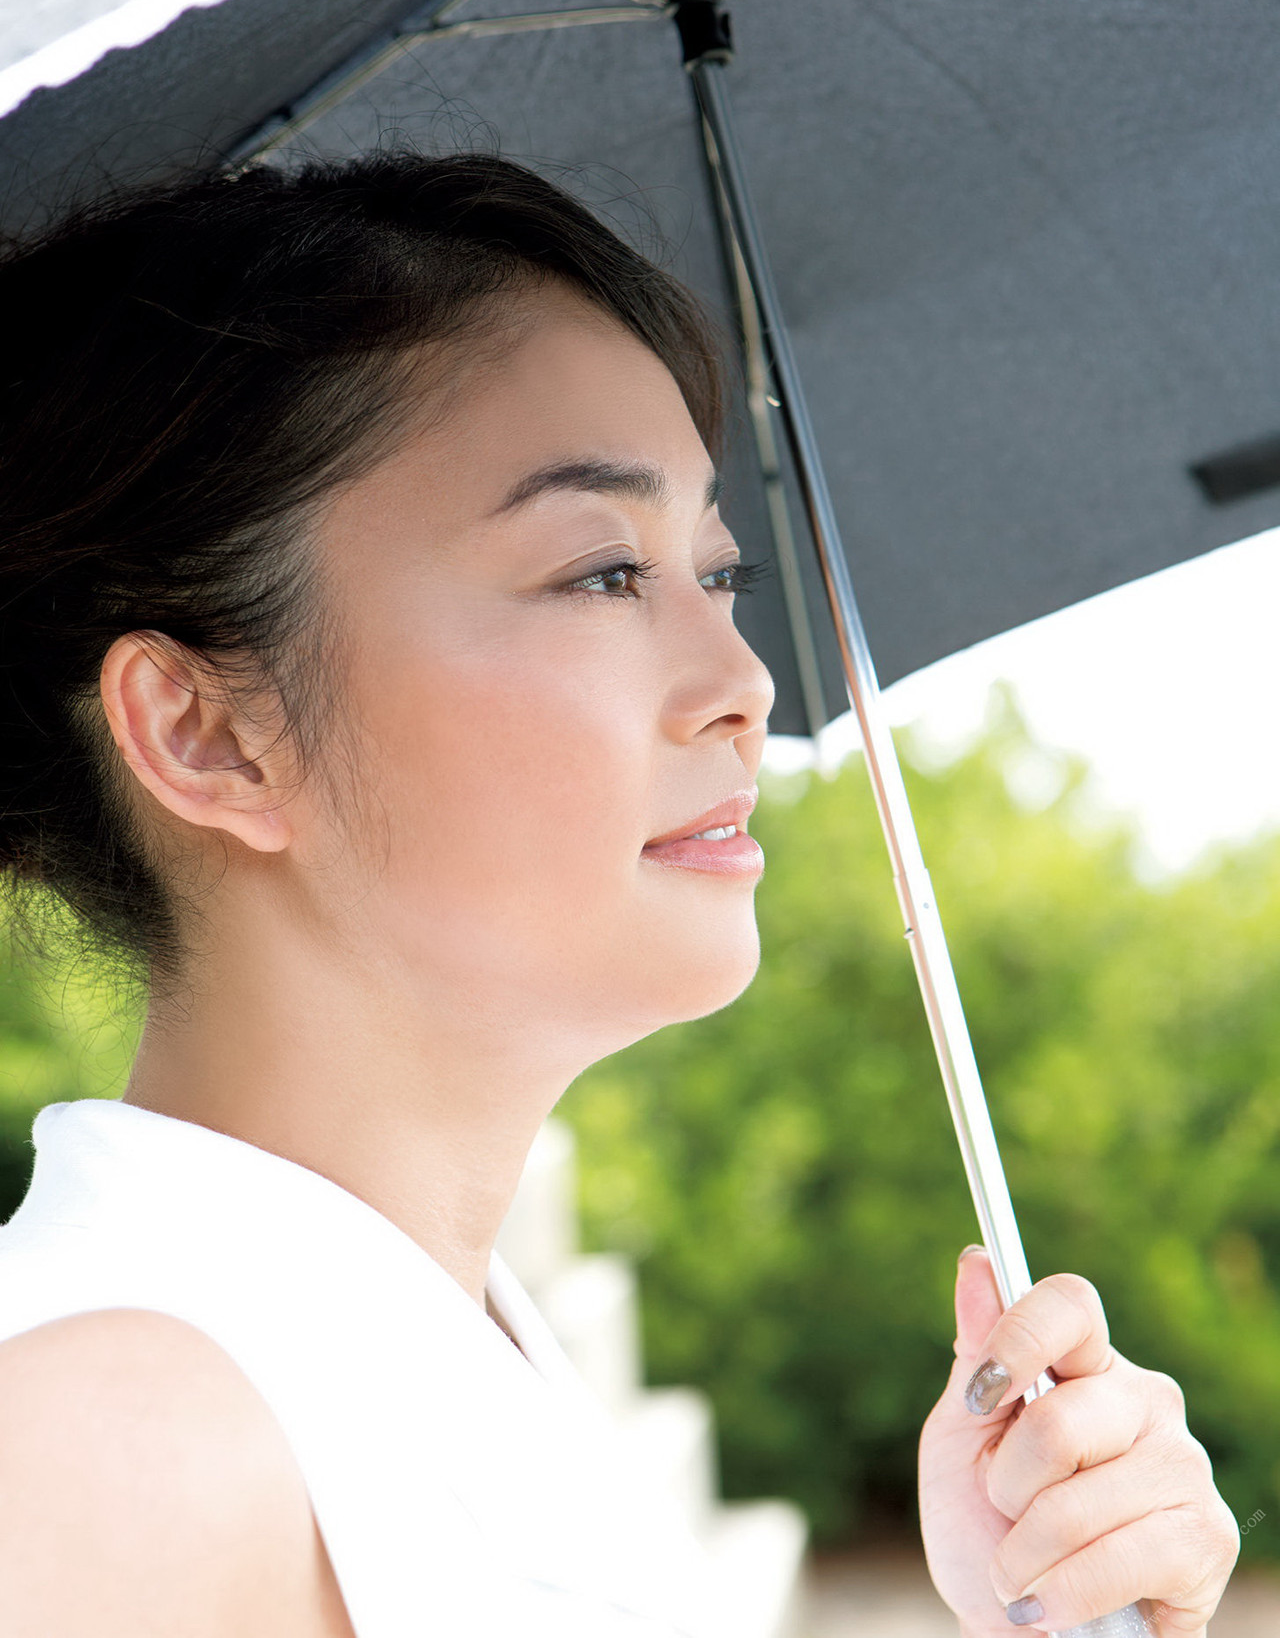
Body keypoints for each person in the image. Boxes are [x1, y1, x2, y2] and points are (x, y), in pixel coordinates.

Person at [0, 149, 1239, 1638]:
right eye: (599, 571)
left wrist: (1046, 1617)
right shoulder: (117, 1450)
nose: (740, 683)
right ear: (206, 731)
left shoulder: (455, 1372)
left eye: (716, 573)